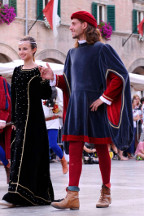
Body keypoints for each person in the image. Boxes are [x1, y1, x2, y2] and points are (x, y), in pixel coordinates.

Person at [39, 11, 133, 209]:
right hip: (76, 106)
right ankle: (72, 195)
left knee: (101, 148)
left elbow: (120, 75)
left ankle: (106, 191)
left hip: (96, 107)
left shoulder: (102, 49)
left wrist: (104, 98)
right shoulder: (72, 53)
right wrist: (53, 77)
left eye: (73, 24)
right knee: (74, 148)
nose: (70, 27)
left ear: (85, 26)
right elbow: (70, 82)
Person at [0, 36, 54, 207]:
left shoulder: (38, 70)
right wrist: (14, 119)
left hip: (35, 120)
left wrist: (46, 79)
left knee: (31, 154)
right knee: (18, 153)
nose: (22, 52)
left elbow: (45, 95)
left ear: (33, 50)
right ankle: (17, 192)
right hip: (20, 120)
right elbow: (15, 97)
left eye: (25, 49)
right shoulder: (16, 70)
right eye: (20, 49)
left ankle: (25, 194)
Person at [42, 87, 68, 174]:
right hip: (40, 122)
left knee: (53, 144)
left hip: (52, 121)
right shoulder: (37, 88)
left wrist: (52, 105)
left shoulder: (57, 90)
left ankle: (63, 160)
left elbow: (60, 110)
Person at [0, 75, 12, 184]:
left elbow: (5, 100)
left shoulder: (1, 80)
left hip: (1, 117)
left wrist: (2, 118)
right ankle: (7, 165)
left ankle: (7, 165)